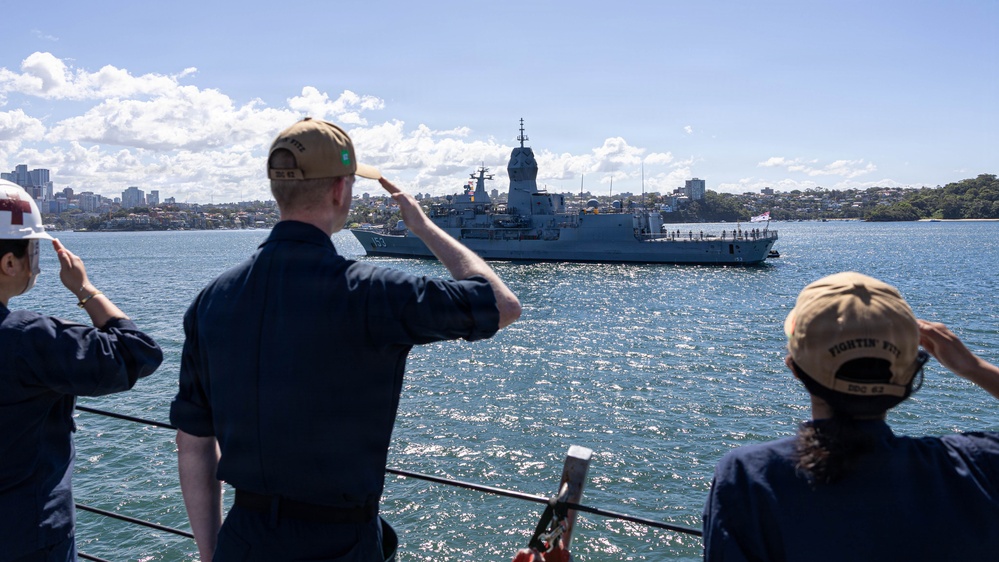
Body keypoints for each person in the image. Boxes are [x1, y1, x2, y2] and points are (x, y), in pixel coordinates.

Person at [170, 117, 521, 561]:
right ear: (341, 190)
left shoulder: (210, 302)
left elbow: (194, 443)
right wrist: (424, 228)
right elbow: (502, 305)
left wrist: (212, 554)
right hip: (337, 544)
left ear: (278, 190)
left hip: (244, 538)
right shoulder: (372, 292)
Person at [703, 271, 999, 561]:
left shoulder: (750, 476)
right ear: (908, 376)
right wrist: (973, 367)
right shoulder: (977, 466)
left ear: (794, 368)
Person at [0, 180, 163, 561]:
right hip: (25, 536)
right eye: (33, 250)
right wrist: (85, 289)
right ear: (9, 263)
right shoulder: (28, 339)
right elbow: (138, 354)